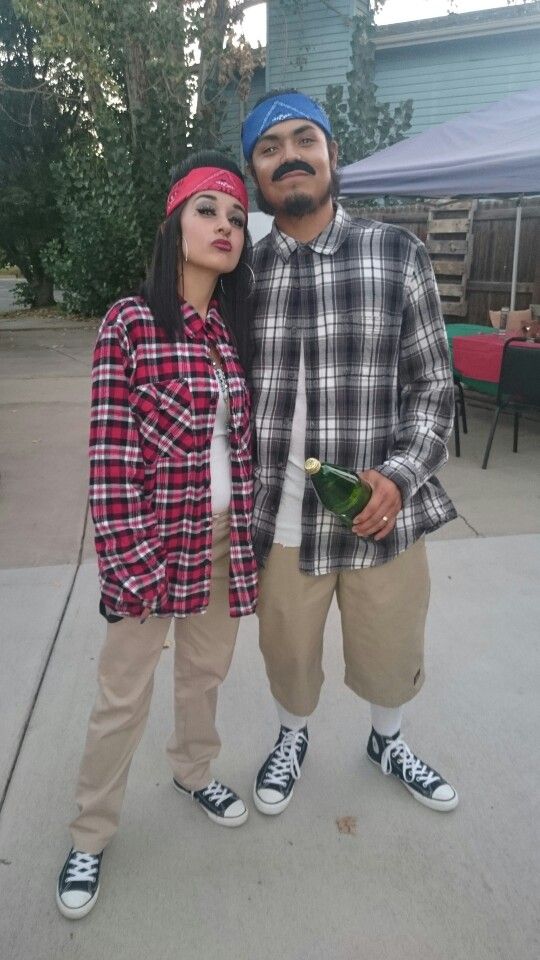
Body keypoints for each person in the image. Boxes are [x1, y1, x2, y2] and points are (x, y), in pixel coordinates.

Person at [241, 90, 459, 818]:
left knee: (390, 648)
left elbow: (434, 387)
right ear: (255, 175)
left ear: (333, 155)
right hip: (284, 515)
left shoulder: (397, 253)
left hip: (379, 509)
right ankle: (291, 736)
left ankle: (387, 740)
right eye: (270, 149)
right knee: (288, 653)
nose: (291, 156)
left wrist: (399, 478)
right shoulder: (241, 275)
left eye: (306, 139)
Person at [56, 151, 258, 920]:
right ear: (174, 224)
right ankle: (90, 833)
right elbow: (110, 459)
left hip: (220, 536)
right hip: (150, 540)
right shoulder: (131, 321)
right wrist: (129, 564)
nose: (225, 227)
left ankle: (192, 768)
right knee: (122, 695)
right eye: (208, 210)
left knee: (204, 674)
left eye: (237, 217)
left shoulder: (227, 332)